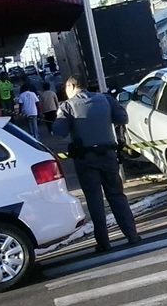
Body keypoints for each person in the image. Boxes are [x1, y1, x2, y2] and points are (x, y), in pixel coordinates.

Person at [53, 75, 141, 253]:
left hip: (85, 159)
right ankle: (132, 235)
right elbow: (122, 118)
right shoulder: (106, 99)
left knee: (94, 200)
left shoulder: (67, 106)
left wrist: (61, 118)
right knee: (117, 195)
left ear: (71, 86)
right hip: (108, 155)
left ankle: (104, 243)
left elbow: (59, 131)